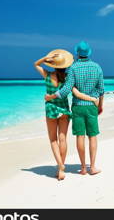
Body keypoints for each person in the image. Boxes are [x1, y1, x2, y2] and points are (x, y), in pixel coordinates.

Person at [34, 49, 98, 180]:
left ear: (53, 65)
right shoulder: (68, 78)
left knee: (53, 140)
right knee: (62, 139)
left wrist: (46, 58)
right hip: (64, 109)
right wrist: (92, 99)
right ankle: (60, 167)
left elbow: (36, 64)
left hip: (51, 109)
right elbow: (76, 93)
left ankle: (60, 166)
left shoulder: (47, 75)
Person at [46, 41, 104, 175]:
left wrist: (51, 96)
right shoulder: (97, 67)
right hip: (92, 106)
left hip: (78, 106)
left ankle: (83, 168)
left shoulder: (73, 68)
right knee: (93, 137)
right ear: (89, 53)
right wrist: (100, 106)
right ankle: (93, 167)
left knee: (80, 136)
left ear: (77, 54)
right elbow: (101, 90)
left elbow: (66, 90)